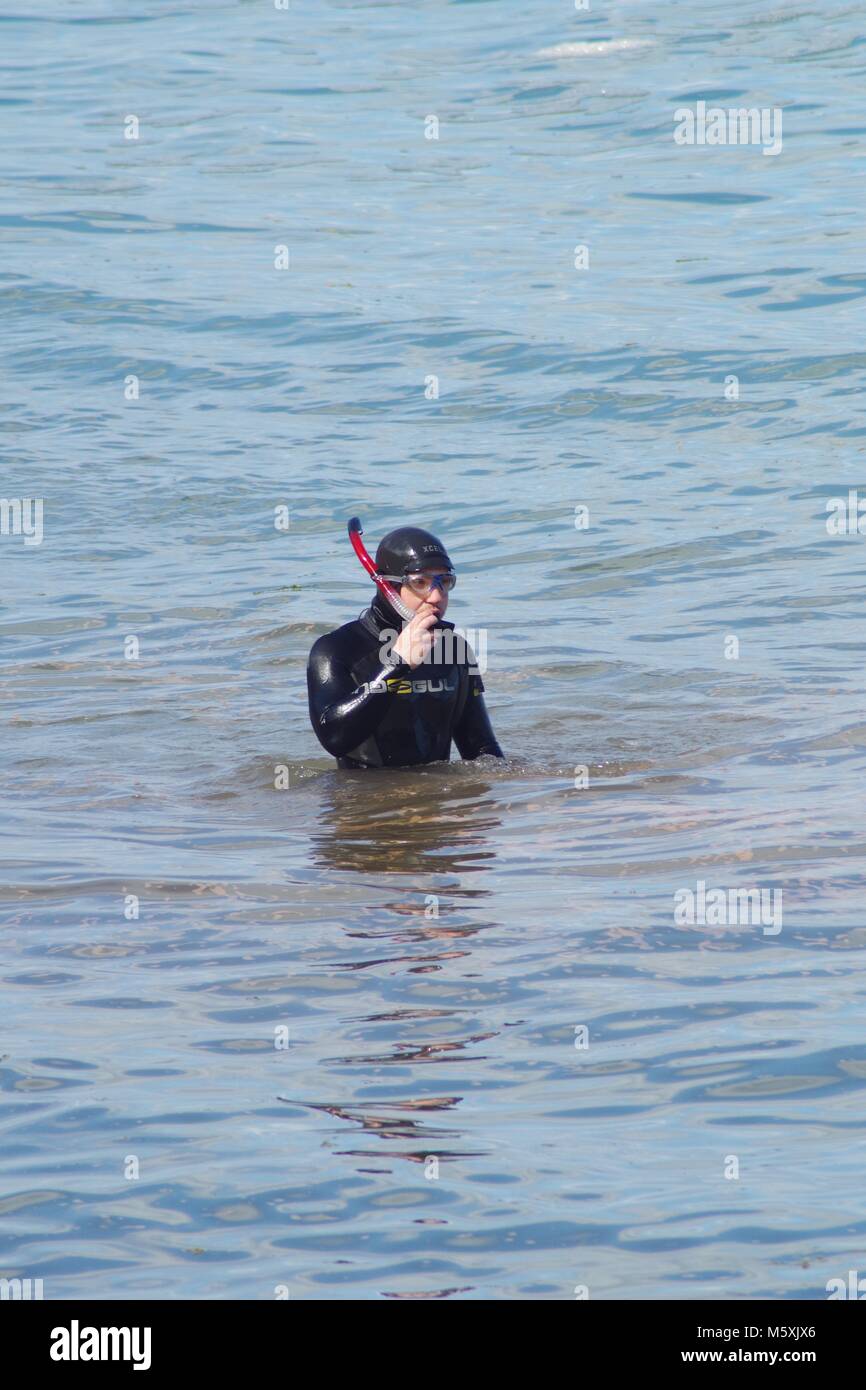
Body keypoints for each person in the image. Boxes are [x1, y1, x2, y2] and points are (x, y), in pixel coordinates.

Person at [307, 525, 503, 768]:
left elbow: (481, 750)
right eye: (420, 582)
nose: (436, 596)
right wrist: (397, 664)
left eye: (445, 581)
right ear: (387, 586)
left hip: (439, 801)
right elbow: (334, 738)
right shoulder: (337, 648)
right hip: (363, 802)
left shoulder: (455, 650)